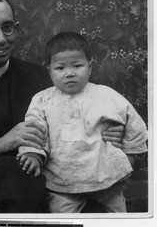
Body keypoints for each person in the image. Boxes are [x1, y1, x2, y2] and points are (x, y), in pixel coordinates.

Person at [0, 0, 124, 213]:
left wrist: (108, 130)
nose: (1, 39)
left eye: (7, 28)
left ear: (16, 29)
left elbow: (80, 112)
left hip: (51, 196)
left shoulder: (43, 77)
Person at [17, 32, 148, 213]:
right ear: (49, 71)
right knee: (62, 219)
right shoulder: (42, 100)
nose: (69, 73)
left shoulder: (106, 95)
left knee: (119, 217)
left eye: (77, 66)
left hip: (105, 175)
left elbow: (133, 123)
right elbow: (34, 129)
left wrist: (130, 154)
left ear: (90, 67)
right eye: (60, 68)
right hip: (63, 179)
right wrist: (33, 154)